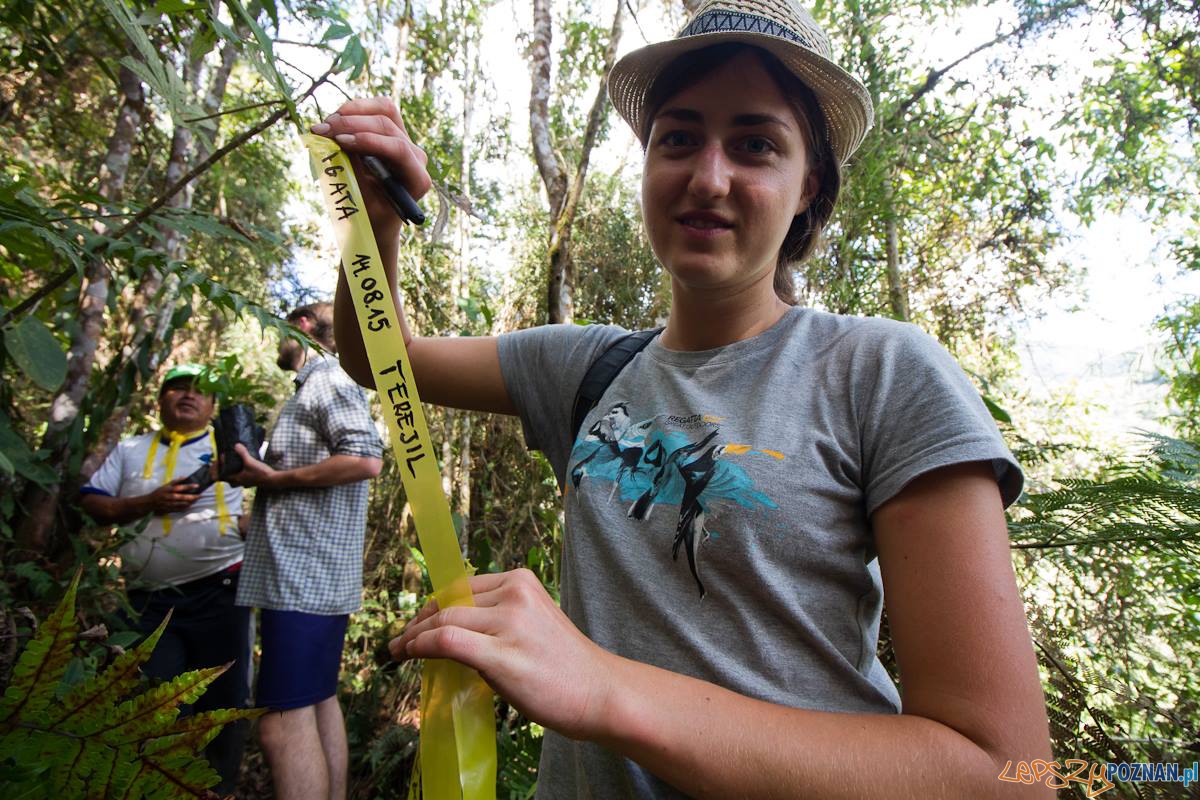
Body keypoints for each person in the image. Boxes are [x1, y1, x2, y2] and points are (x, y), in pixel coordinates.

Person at [318, 0, 1055, 795]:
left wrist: (603, 688)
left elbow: (1007, 775)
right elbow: (378, 358)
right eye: (678, 138)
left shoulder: (880, 371)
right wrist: (376, 223)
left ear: (808, 186)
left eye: (756, 144)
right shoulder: (585, 368)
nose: (708, 178)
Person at [230, 302, 383, 800]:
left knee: (280, 725)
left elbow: (364, 458)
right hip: (310, 578)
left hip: (302, 580)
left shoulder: (327, 379)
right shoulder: (319, 385)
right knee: (317, 703)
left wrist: (274, 479)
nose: (276, 340)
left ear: (300, 326)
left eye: (279, 329)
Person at [79, 363, 251, 796]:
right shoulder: (131, 449)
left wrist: (255, 522)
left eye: (198, 390)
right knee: (152, 699)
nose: (188, 395)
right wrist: (147, 502)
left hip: (221, 592)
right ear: (160, 400)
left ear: (212, 405)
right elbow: (93, 502)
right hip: (147, 602)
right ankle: (153, 786)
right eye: (177, 388)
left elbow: (279, 487)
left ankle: (217, 790)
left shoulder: (232, 450)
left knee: (223, 699)